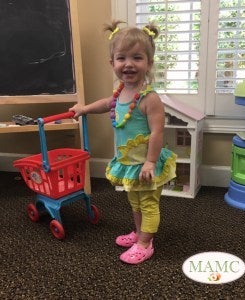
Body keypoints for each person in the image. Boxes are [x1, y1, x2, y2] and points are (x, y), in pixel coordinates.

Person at [69, 20, 177, 264]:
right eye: (121, 58)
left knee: (148, 204)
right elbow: (105, 104)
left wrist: (150, 162)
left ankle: (145, 243)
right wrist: (84, 108)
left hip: (146, 165)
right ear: (112, 63)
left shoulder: (150, 99)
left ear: (148, 64)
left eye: (137, 58)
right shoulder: (120, 93)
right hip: (129, 163)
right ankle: (139, 233)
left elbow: (158, 132)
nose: (128, 64)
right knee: (134, 202)